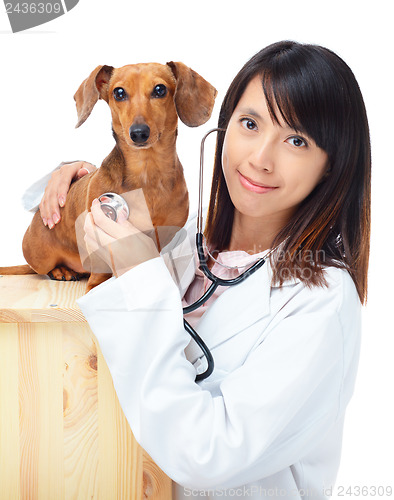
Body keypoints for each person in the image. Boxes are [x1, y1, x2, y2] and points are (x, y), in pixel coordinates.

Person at [34, 41, 371, 498]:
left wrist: (137, 278)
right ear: (225, 125)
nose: (261, 158)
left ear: (333, 166)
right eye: (250, 124)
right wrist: (77, 174)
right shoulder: (187, 244)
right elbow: (53, 240)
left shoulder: (321, 304)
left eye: (297, 140)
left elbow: (206, 457)